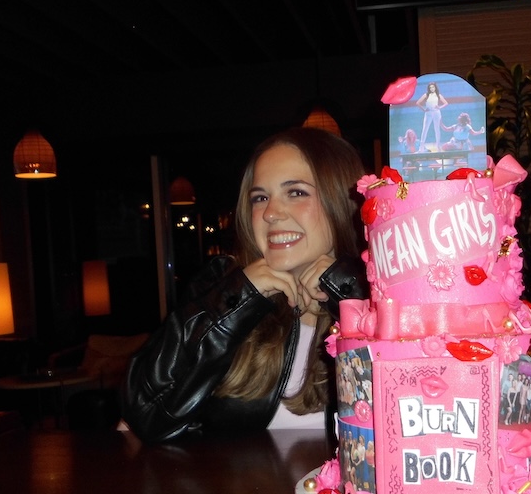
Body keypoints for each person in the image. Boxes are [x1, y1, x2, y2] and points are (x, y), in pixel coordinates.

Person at [123, 127, 369, 444]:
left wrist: (348, 293)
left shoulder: (383, 290)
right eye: (260, 197)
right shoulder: (223, 284)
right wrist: (237, 300)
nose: (270, 213)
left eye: (296, 192)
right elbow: (144, 415)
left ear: (342, 201)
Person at [415, 82, 448, 150]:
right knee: (425, 129)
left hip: (436, 113)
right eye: (430, 87)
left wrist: (439, 107)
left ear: (435, 87)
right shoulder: (426, 95)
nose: (432, 88)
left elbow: (446, 103)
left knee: (437, 129)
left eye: (433, 87)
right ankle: (421, 147)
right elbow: (418, 103)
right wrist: (424, 109)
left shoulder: (438, 95)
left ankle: (438, 145)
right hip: (428, 113)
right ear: (429, 88)